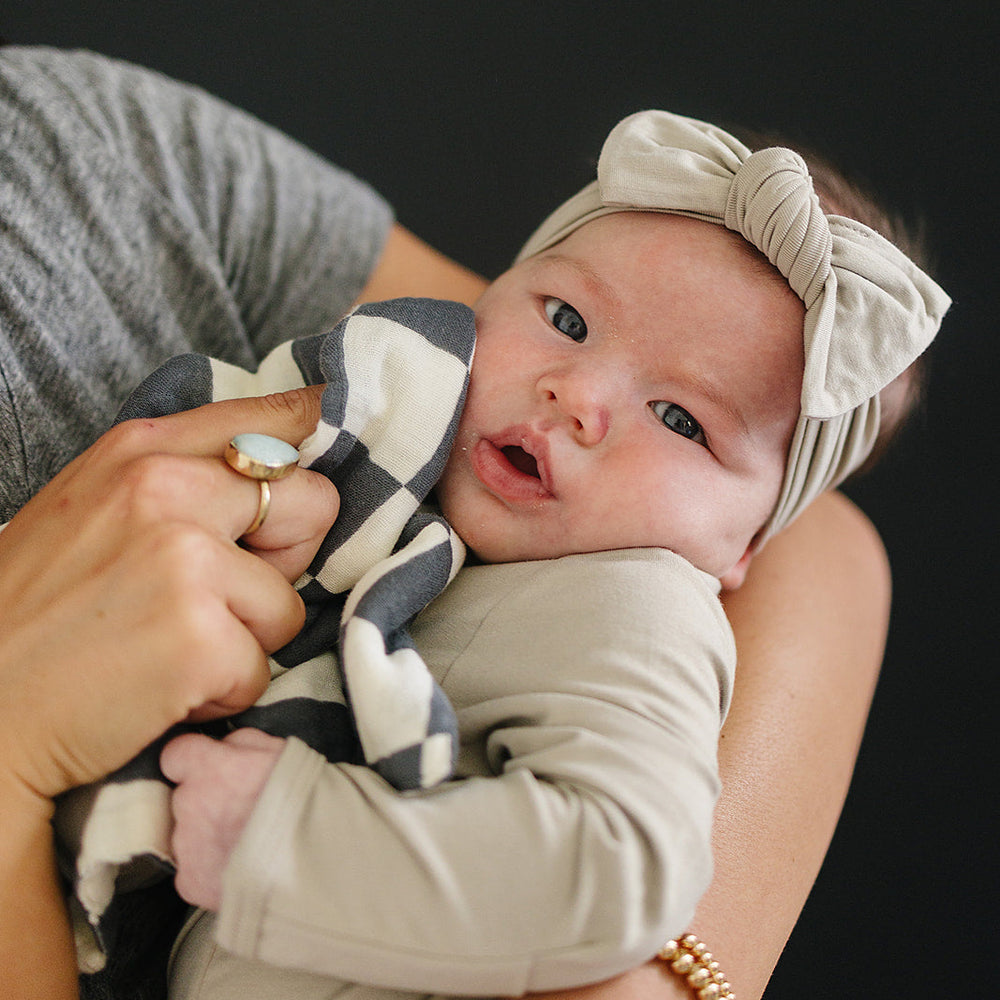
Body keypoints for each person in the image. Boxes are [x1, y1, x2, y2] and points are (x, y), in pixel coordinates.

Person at [0, 46, 931, 1000]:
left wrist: (281, 836)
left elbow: (624, 866)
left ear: (743, 548)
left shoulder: (632, 608)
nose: (578, 394)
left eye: (684, 420)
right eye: (567, 319)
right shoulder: (430, 510)